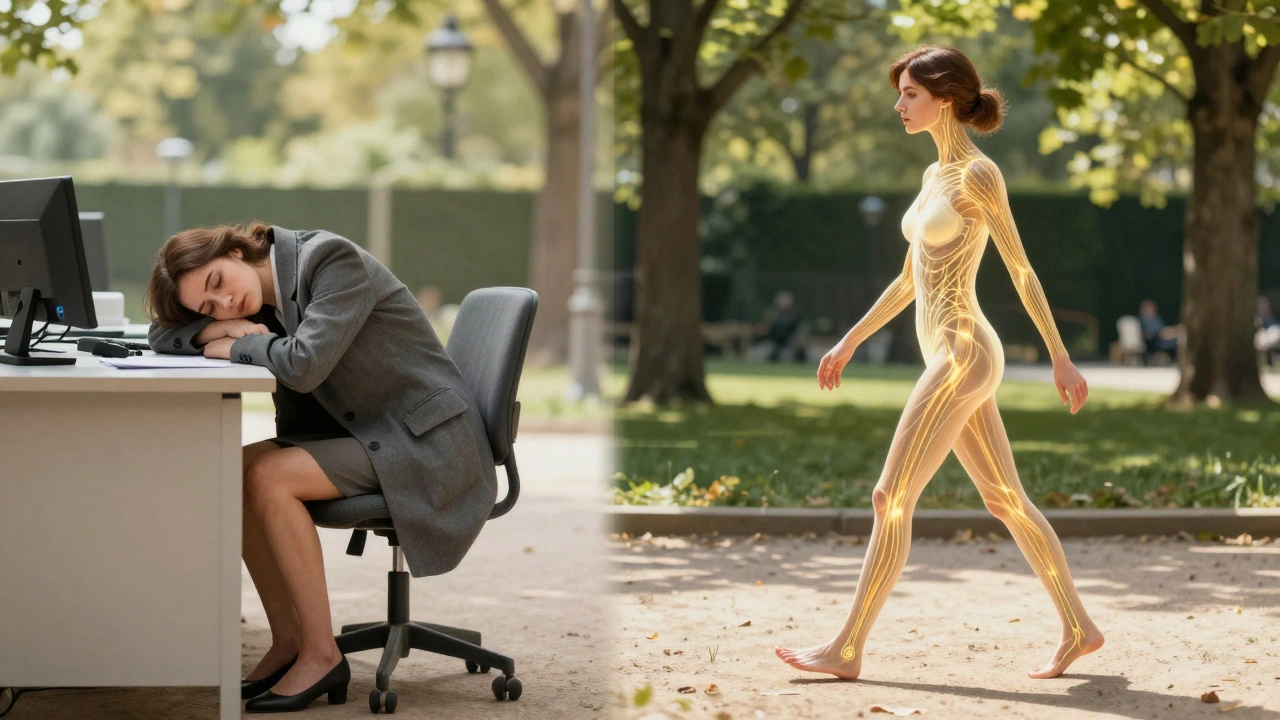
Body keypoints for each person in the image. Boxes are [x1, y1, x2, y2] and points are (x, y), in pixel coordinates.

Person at [775, 45, 1103, 682]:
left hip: (963, 353)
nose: (899, 106)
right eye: (899, 94)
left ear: (946, 98)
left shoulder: (978, 176)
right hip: (946, 352)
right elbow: (908, 279)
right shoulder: (931, 180)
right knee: (1006, 499)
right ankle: (1078, 627)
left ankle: (846, 649)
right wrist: (849, 340)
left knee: (889, 494)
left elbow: (1021, 268)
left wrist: (1061, 358)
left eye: (910, 95)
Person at [146, 223, 497, 713]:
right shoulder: (251, 299)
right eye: (208, 306)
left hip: (424, 440)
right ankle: (288, 642)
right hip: (364, 431)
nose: (225, 302)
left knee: (269, 476)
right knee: (235, 470)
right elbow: (159, 334)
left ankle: (321, 654)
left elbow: (305, 364)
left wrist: (235, 344)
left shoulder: (330, 261)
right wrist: (217, 328)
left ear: (234, 250)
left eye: (218, 283)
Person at [755, 291, 807, 362]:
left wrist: (797, 340)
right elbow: (765, 330)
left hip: (790, 343)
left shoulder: (796, 316)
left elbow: (800, 331)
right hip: (775, 343)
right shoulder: (772, 315)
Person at [1137, 299, 1180, 365]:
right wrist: (1158, 334)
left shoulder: (1157, 319)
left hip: (1161, 339)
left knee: (1176, 341)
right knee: (1171, 343)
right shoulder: (1141, 320)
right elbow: (1145, 333)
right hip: (1151, 342)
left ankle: (1174, 362)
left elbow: (1161, 329)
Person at [1255, 294, 1280, 364]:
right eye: (1261, 304)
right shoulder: (1257, 320)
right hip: (1263, 338)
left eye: (1265, 304)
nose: (1264, 307)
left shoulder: (1272, 318)